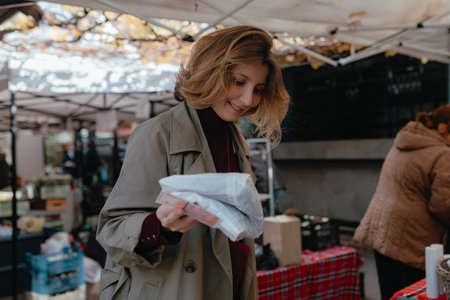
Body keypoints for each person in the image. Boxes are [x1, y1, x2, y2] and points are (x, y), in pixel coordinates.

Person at [96, 25, 290, 299]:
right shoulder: (157, 133)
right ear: (210, 72)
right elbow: (111, 230)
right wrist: (158, 226)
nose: (248, 99)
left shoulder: (236, 139)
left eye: (258, 89)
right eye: (238, 82)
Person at [353, 104, 450, 300]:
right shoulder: (442, 154)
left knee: (393, 295)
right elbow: (443, 204)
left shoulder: (405, 141)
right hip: (412, 242)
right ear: (443, 129)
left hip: (383, 235)